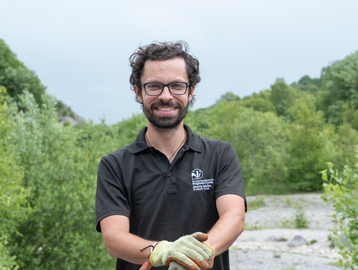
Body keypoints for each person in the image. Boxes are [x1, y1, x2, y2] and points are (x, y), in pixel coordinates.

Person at [95, 41, 246, 270]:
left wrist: (194, 256)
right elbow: (114, 238)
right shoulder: (114, 165)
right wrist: (162, 252)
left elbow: (234, 217)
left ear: (190, 91)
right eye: (154, 86)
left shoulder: (220, 154)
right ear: (138, 92)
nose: (166, 96)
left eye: (177, 85)